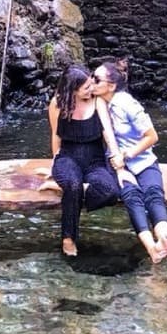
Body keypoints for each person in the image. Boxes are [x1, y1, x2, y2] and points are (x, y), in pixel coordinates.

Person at [91, 59, 167, 264]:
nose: (91, 80)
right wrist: (119, 163)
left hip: (142, 159)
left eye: (96, 78)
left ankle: (164, 236)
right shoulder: (101, 101)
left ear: (110, 86)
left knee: (154, 193)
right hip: (117, 164)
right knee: (131, 195)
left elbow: (152, 136)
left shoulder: (127, 104)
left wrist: (127, 155)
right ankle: (152, 249)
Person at [41, 64, 120, 257]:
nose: (91, 88)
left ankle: (72, 194)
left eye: (91, 83)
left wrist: (117, 155)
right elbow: (56, 136)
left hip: (95, 161)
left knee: (110, 192)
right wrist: (55, 163)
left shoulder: (98, 102)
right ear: (72, 90)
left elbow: (107, 132)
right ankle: (68, 238)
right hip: (68, 157)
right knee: (73, 184)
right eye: (86, 87)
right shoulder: (57, 103)